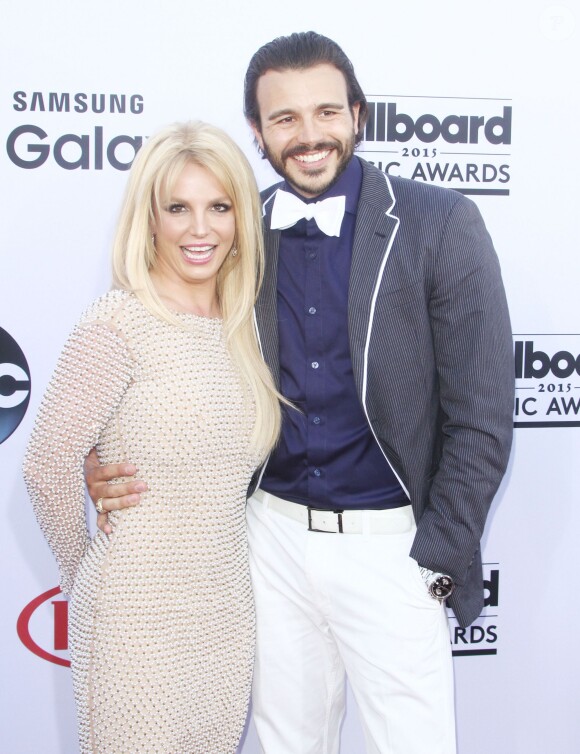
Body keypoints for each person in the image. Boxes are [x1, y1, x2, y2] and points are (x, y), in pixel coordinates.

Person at [85, 32, 514, 754]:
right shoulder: (234, 228)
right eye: (284, 119)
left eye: (326, 113)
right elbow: (164, 347)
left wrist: (437, 553)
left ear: (358, 114)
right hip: (269, 540)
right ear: (257, 132)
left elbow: (482, 415)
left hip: (392, 549)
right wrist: (102, 458)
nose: (308, 136)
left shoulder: (439, 224)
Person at [23, 120, 282, 754]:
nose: (201, 229)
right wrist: (84, 570)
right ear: (151, 217)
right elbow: (46, 462)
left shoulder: (243, 327)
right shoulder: (119, 323)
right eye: (179, 208)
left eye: (219, 207)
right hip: (134, 620)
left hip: (223, 617)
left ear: (241, 217)